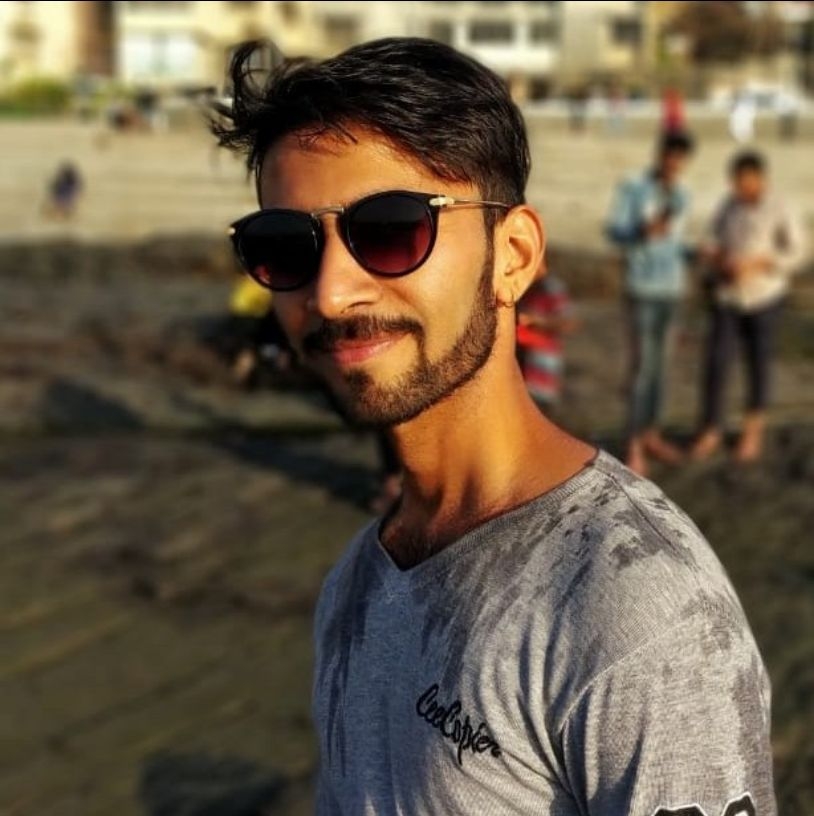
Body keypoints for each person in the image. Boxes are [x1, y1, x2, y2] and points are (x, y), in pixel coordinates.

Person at [213, 38, 775, 815]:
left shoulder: (634, 606)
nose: (332, 292)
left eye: (390, 230)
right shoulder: (357, 582)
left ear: (512, 257)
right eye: (285, 247)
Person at [691, 150, 806, 463]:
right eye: (737, 182)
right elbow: (711, 239)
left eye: (746, 181)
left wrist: (759, 263)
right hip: (728, 295)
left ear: (760, 179)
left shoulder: (781, 206)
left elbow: (797, 252)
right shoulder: (728, 206)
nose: (741, 188)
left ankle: (753, 428)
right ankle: (711, 427)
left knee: (758, 363)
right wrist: (718, 258)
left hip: (764, 295)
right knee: (717, 361)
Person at [606, 131, 695, 476]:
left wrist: (697, 253)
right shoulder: (634, 188)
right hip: (642, 288)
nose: (674, 164)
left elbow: (677, 242)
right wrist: (641, 232)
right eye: (670, 156)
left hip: (672, 289)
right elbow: (614, 231)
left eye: (680, 159)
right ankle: (633, 443)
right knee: (642, 367)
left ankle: (652, 433)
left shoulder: (683, 194)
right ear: (660, 155)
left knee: (662, 366)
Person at [516, 269, 577, 410]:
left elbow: (568, 323)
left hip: (539, 380)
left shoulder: (551, 288)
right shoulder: (515, 285)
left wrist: (535, 321)